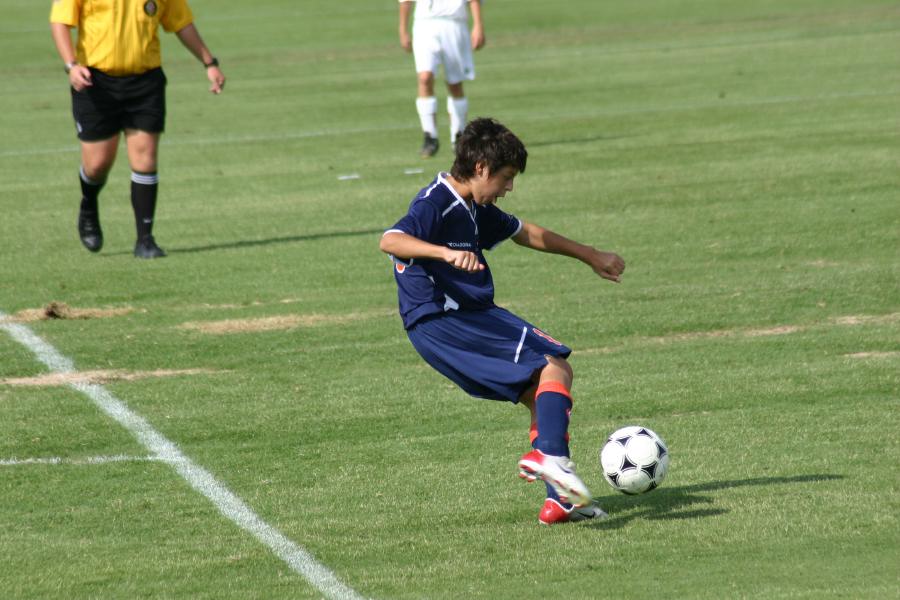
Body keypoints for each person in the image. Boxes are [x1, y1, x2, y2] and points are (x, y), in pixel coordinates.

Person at [379, 118, 626, 525]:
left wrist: (590, 254)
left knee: (540, 393)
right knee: (554, 365)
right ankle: (551, 461)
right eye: (506, 177)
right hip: (446, 320)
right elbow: (390, 239)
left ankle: (559, 500)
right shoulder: (436, 201)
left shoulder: (477, 207)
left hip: (463, 318)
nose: (509, 187)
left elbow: (525, 232)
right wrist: (444, 253)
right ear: (480, 168)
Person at [50, 0, 226, 258]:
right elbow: (60, 22)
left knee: (145, 158)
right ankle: (88, 204)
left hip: (145, 81)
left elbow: (181, 22)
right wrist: (71, 65)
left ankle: (145, 240)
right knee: (97, 165)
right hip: (94, 82)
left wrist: (209, 63)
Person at [398, 0, 485, 158]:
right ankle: (430, 136)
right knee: (425, 78)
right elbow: (405, 2)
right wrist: (403, 29)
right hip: (425, 24)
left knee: (454, 83)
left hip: (454, 23)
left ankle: (458, 136)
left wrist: (478, 25)